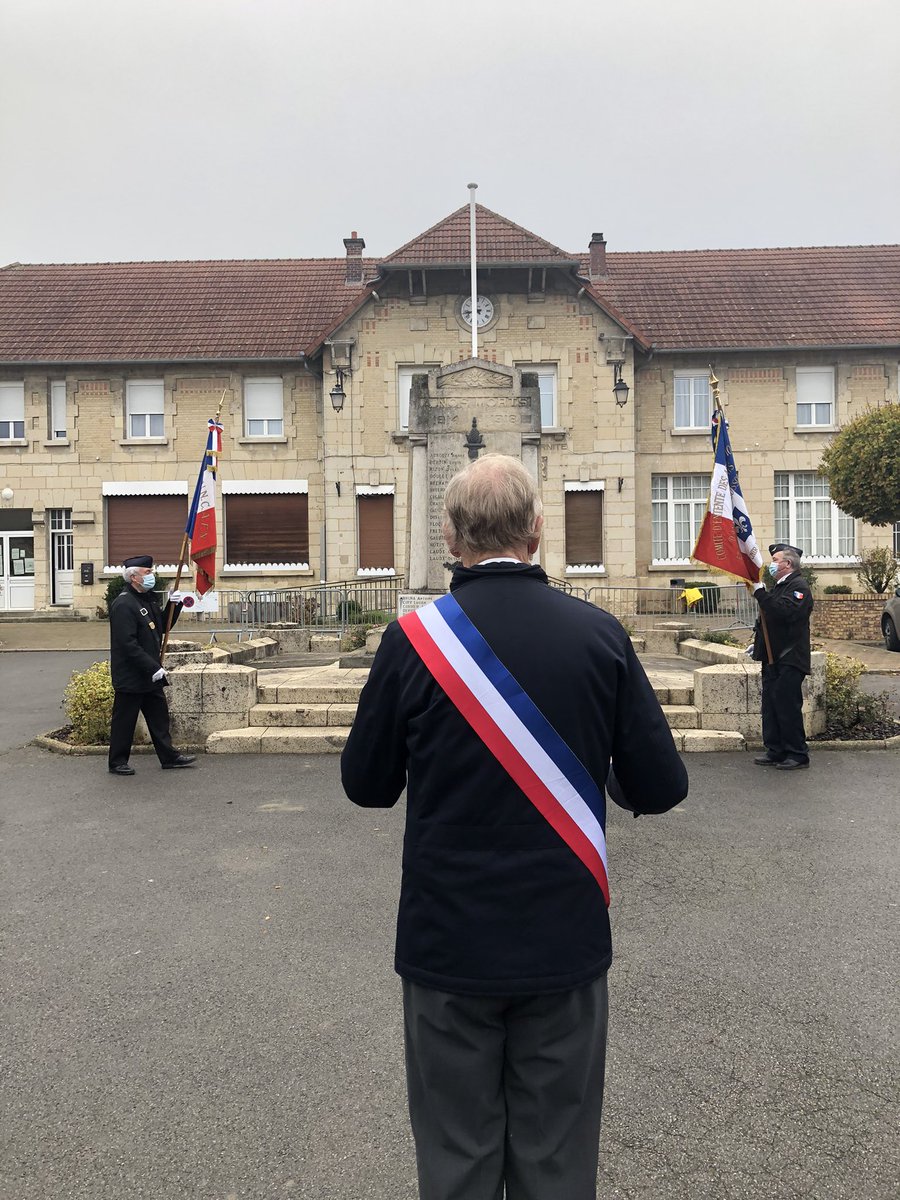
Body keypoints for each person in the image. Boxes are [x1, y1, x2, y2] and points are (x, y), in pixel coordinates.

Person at [341, 454, 688, 1200]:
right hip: (563, 941)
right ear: (538, 530)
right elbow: (661, 786)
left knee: (456, 1156)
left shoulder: (412, 641)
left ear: (450, 534)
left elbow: (366, 788)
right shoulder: (599, 635)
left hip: (448, 943)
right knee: (557, 1163)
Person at [107, 555, 196, 776]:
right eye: (147, 572)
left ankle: (169, 757)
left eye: (151, 571)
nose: (152, 575)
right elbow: (128, 644)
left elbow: (162, 627)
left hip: (150, 675)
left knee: (159, 717)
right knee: (124, 720)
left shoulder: (147, 599)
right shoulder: (123, 604)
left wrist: (174, 605)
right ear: (133, 576)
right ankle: (117, 762)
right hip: (132, 675)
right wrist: (153, 666)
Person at [750, 542, 814, 771]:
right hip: (772, 658)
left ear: (788, 563)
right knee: (771, 706)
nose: (772, 564)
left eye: (776, 560)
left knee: (787, 707)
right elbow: (769, 620)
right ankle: (775, 749)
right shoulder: (779, 586)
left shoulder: (798, 587)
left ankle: (797, 754)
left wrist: (760, 593)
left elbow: (783, 612)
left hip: (789, 659)